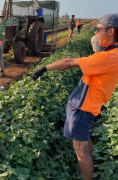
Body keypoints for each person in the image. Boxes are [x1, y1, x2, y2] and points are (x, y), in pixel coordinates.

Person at [31, 13, 118, 180]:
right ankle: (87, 156)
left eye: (99, 29)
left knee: (80, 150)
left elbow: (69, 62)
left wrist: (44, 68)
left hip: (83, 107)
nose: (96, 32)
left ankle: (86, 171)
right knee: (83, 137)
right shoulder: (113, 53)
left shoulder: (107, 57)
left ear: (111, 31)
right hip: (91, 103)